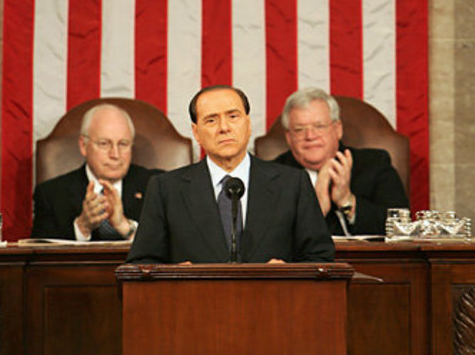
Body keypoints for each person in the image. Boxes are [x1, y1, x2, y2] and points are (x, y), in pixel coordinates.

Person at [127, 85, 334, 264]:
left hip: (274, 304)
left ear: (248, 124)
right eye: (211, 120)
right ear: (196, 132)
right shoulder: (166, 190)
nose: (224, 128)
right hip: (193, 305)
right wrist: (174, 277)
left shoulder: (292, 184)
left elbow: (320, 257)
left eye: (233, 116)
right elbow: (142, 264)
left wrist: (289, 274)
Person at [275, 88, 409, 236]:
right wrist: (315, 210)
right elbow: (266, 240)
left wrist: (347, 201)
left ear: (337, 129)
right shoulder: (271, 175)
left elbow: (400, 228)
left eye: (319, 126)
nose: (310, 136)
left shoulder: (375, 164)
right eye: (299, 130)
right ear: (288, 137)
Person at [32, 103, 161, 241]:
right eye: (104, 144)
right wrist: (82, 228)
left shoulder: (157, 186)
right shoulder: (51, 195)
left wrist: (125, 227)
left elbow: (174, 247)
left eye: (123, 144)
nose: (115, 154)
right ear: (83, 146)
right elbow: (42, 257)